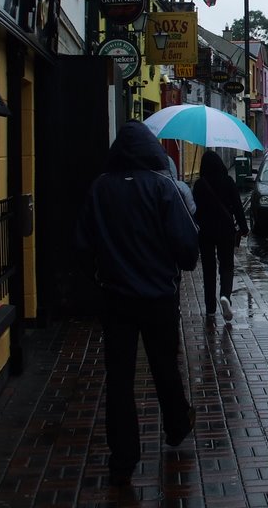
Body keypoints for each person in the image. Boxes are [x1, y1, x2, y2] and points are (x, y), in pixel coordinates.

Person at [74, 121, 200, 487]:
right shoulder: (163, 188)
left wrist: (100, 277)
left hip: (116, 299)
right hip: (159, 297)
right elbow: (187, 247)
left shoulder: (100, 189)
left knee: (120, 377)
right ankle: (176, 425)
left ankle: (123, 457)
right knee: (164, 365)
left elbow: (82, 246)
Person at [192, 149, 248, 322]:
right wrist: (244, 227)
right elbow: (238, 207)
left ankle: (210, 308)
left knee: (208, 269)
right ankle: (225, 296)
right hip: (225, 229)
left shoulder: (200, 185)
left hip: (206, 232)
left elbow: (194, 210)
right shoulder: (228, 181)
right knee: (227, 265)